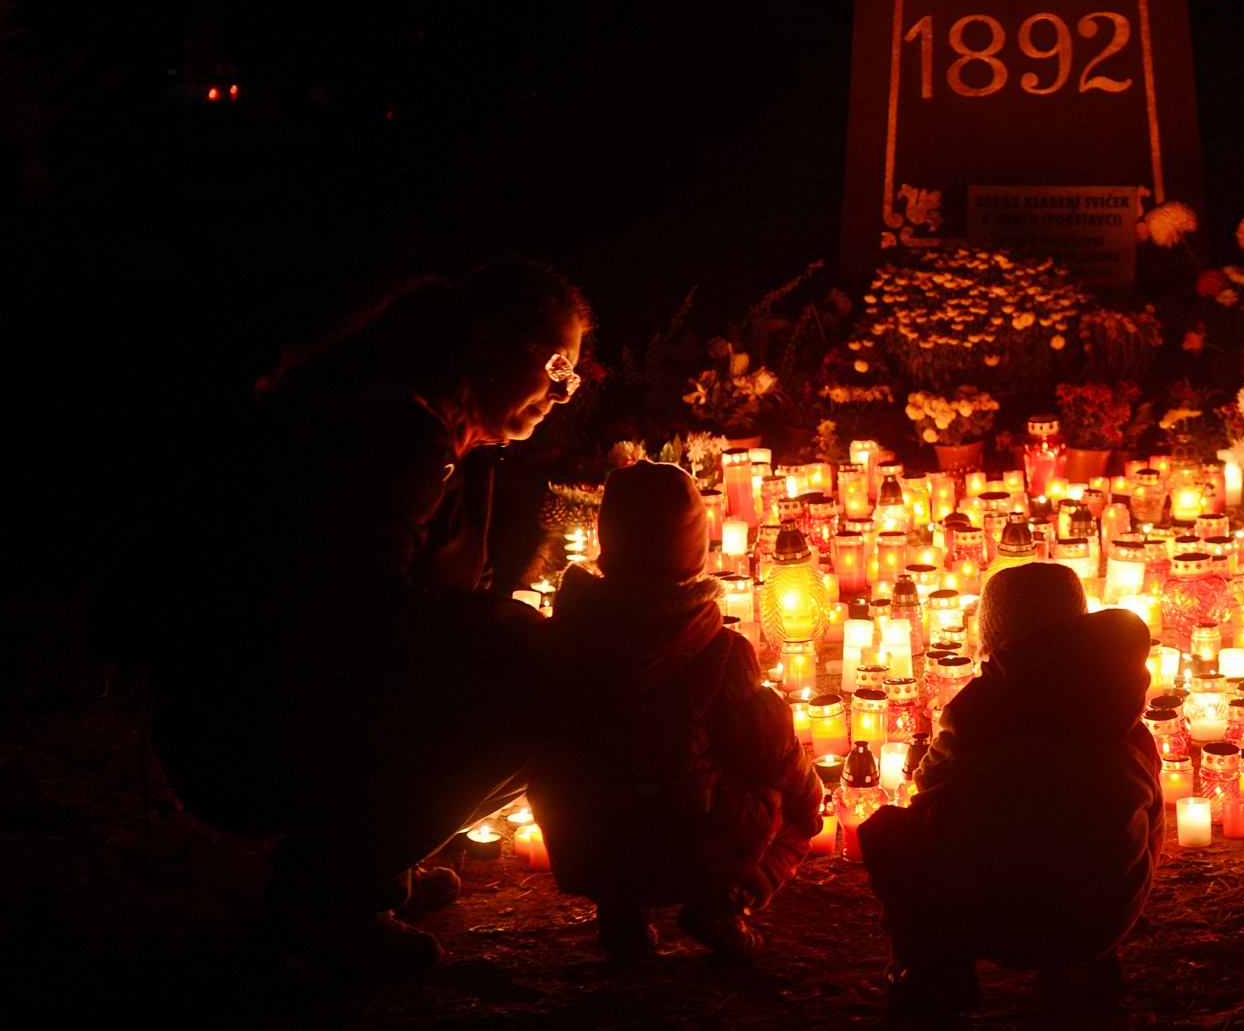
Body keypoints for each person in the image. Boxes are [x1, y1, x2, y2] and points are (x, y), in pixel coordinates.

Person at [146, 258, 592, 976]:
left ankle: (364, 869)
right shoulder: (400, 438)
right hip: (245, 727)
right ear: (487, 343)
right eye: (556, 366)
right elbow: (354, 609)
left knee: (528, 667)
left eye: (572, 377)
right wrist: (502, 631)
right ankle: (320, 898)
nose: (562, 393)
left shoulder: (452, 441)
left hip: (282, 703)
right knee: (542, 695)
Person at [528, 461, 821, 961]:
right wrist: (807, 798)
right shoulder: (719, 650)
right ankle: (728, 902)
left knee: (609, 787)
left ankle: (622, 915)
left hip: (586, 842)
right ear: (694, 551)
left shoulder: (565, 636)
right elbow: (769, 748)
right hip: (690, 847)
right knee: (791, 810)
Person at [859, 563, 1164, 1016]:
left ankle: (933, 971)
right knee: (1134, 796)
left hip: (1002, 922)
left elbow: (928, 790)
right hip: (1103, 915)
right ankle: (1092, 961)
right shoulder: (1119, 698)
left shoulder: (980, 710)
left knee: (890, 831)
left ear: (994, 639)